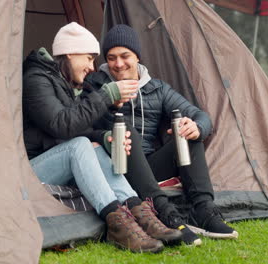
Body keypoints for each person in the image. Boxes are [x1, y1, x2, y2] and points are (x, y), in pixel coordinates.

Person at [22, 22, 181, 253]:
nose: (91, 66)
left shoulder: (63, 83)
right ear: (69, 52)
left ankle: (139, 212)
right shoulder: (36, 79)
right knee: (79, 146)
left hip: (54, 161)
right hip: (30, 171)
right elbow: (61, 125)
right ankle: (117, 224)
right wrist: (106, 95)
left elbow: (76, 128)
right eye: (88, 58)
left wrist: (105, 137)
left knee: (93, 145)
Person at [86, 24, 238, 245]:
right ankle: (166, 214)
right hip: (115, 166)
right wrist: (106, 129)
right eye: (111, 57)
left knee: (185, 132)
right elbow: (80, 126)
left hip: (149, 166)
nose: (118, 64)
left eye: (125, 56)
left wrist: (197, 127)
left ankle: (204, 210)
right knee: (125, 131)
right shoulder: (95, 85)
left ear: (137, 56)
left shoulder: (157, 89)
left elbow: (200, 115)